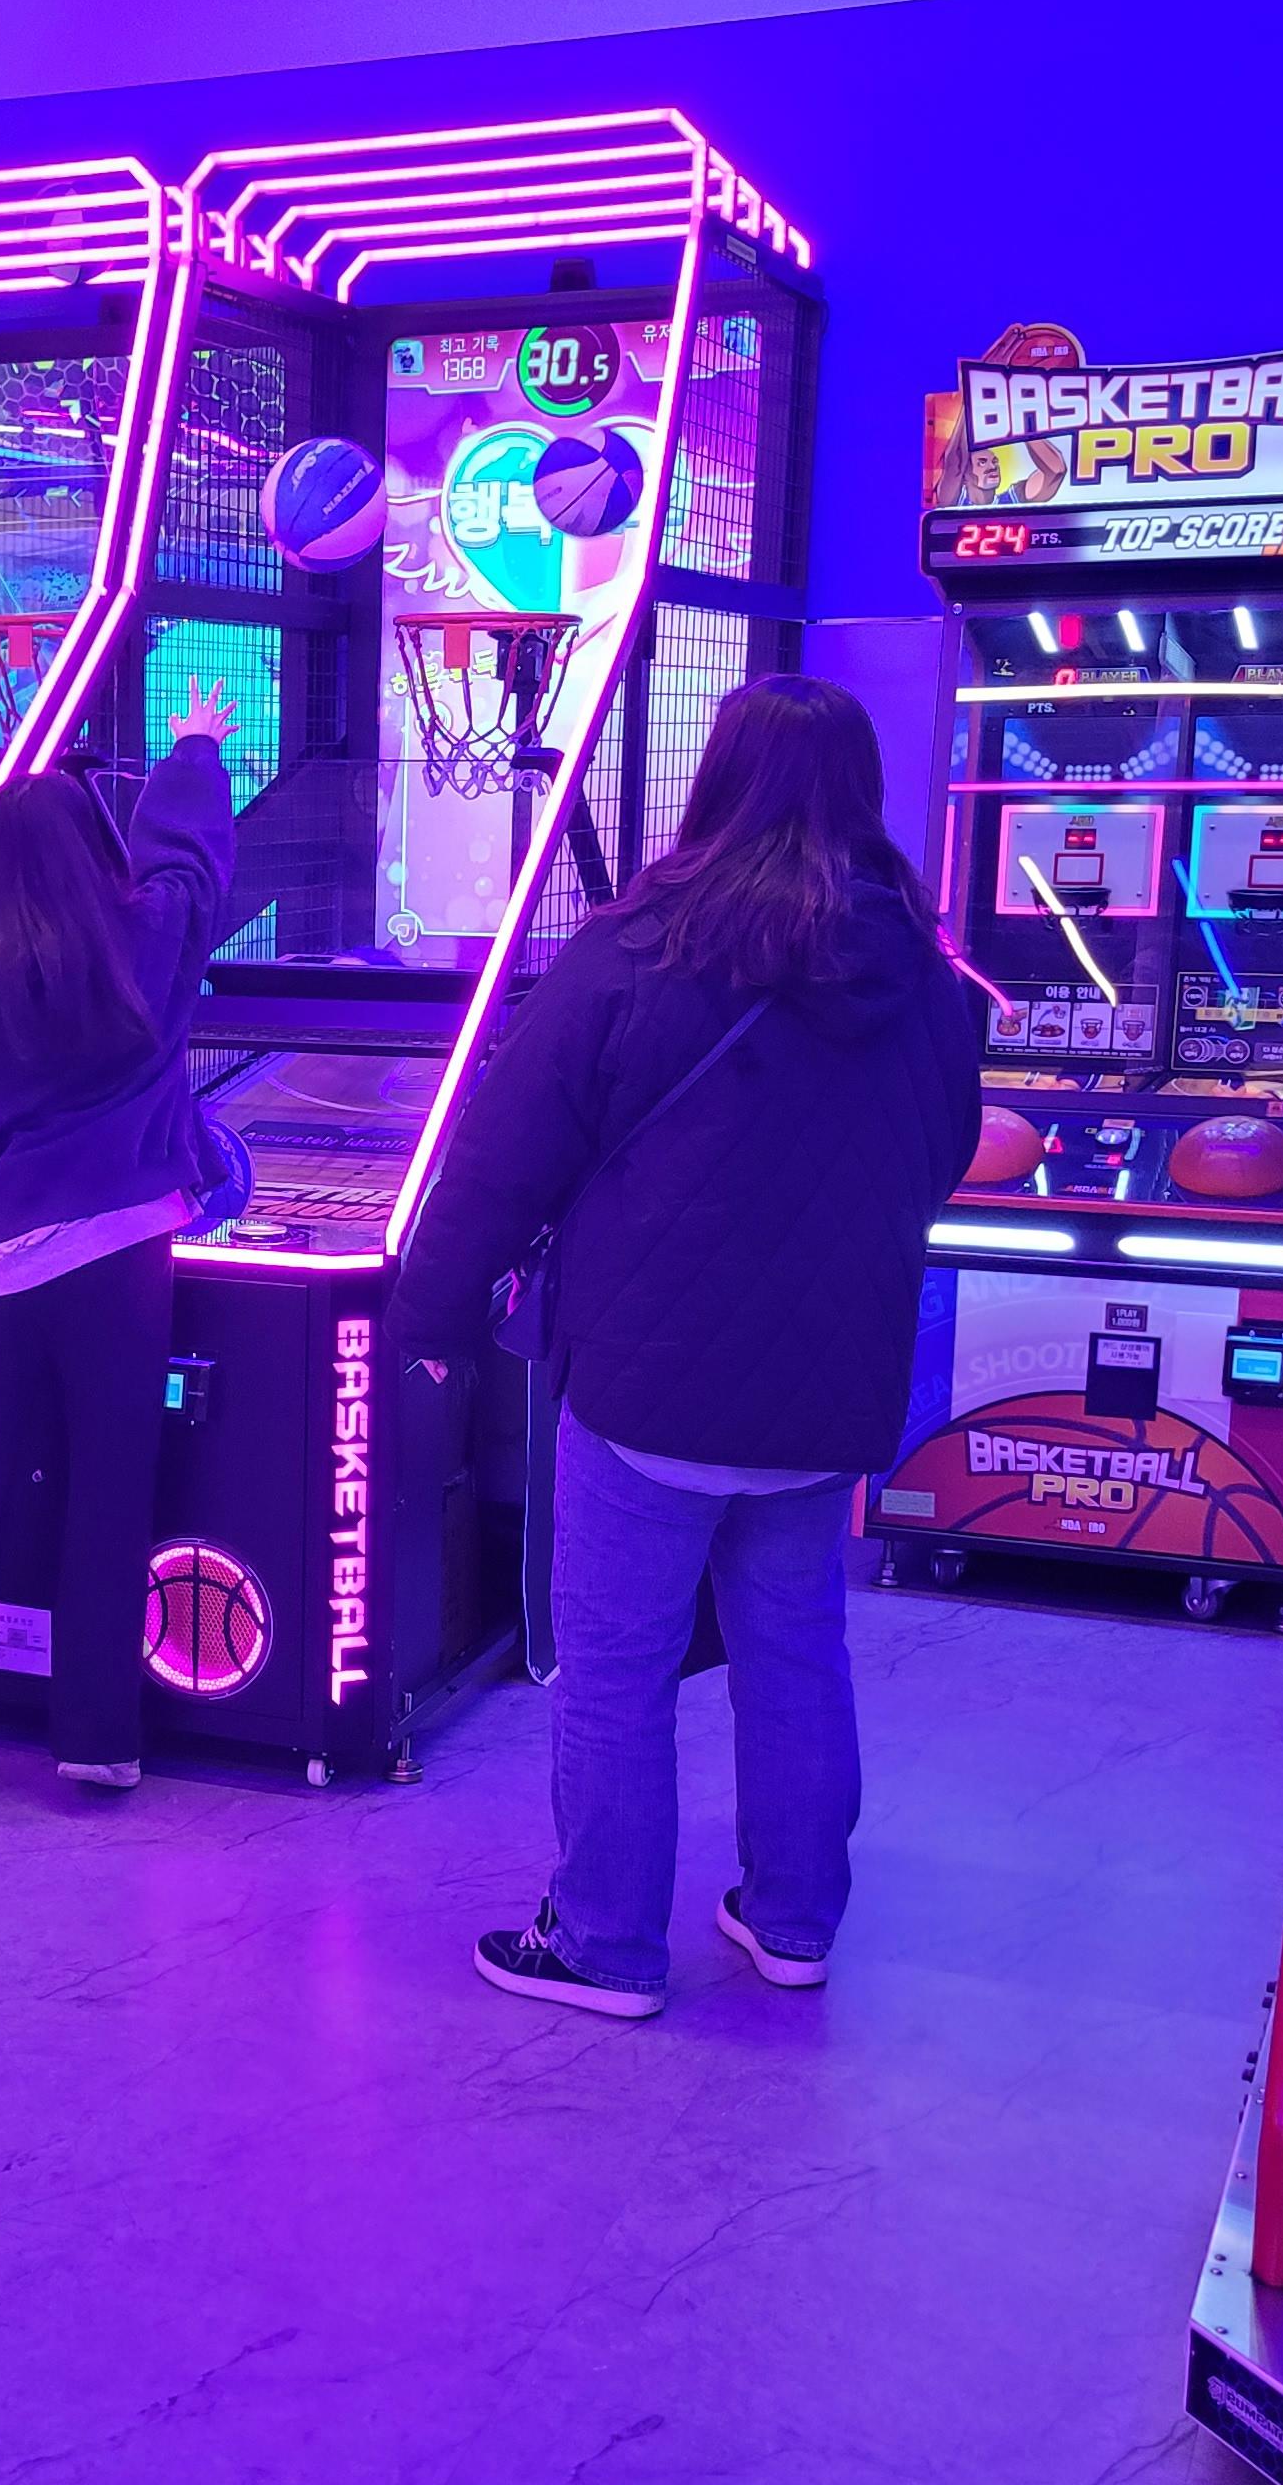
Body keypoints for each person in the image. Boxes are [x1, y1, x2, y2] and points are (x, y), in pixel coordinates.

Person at [390, 675, 981, 2017]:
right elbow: (941, 1154)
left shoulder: (637, 948)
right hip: (829, 1389)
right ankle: (794, 1920)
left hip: (648, 1387)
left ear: (716, 779)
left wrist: (431, 1317)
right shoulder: (925, 974)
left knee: (617, 1669)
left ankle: (605, 1942)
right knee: (797, 1652)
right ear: (864, 793)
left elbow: (503, 1155)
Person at [0, 678, 238, 1794]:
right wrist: (193, 751)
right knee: (108, 1489)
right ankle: (96, 1739)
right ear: (98, 855)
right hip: (119, 1253)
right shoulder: (143, 940)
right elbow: (190, 871)